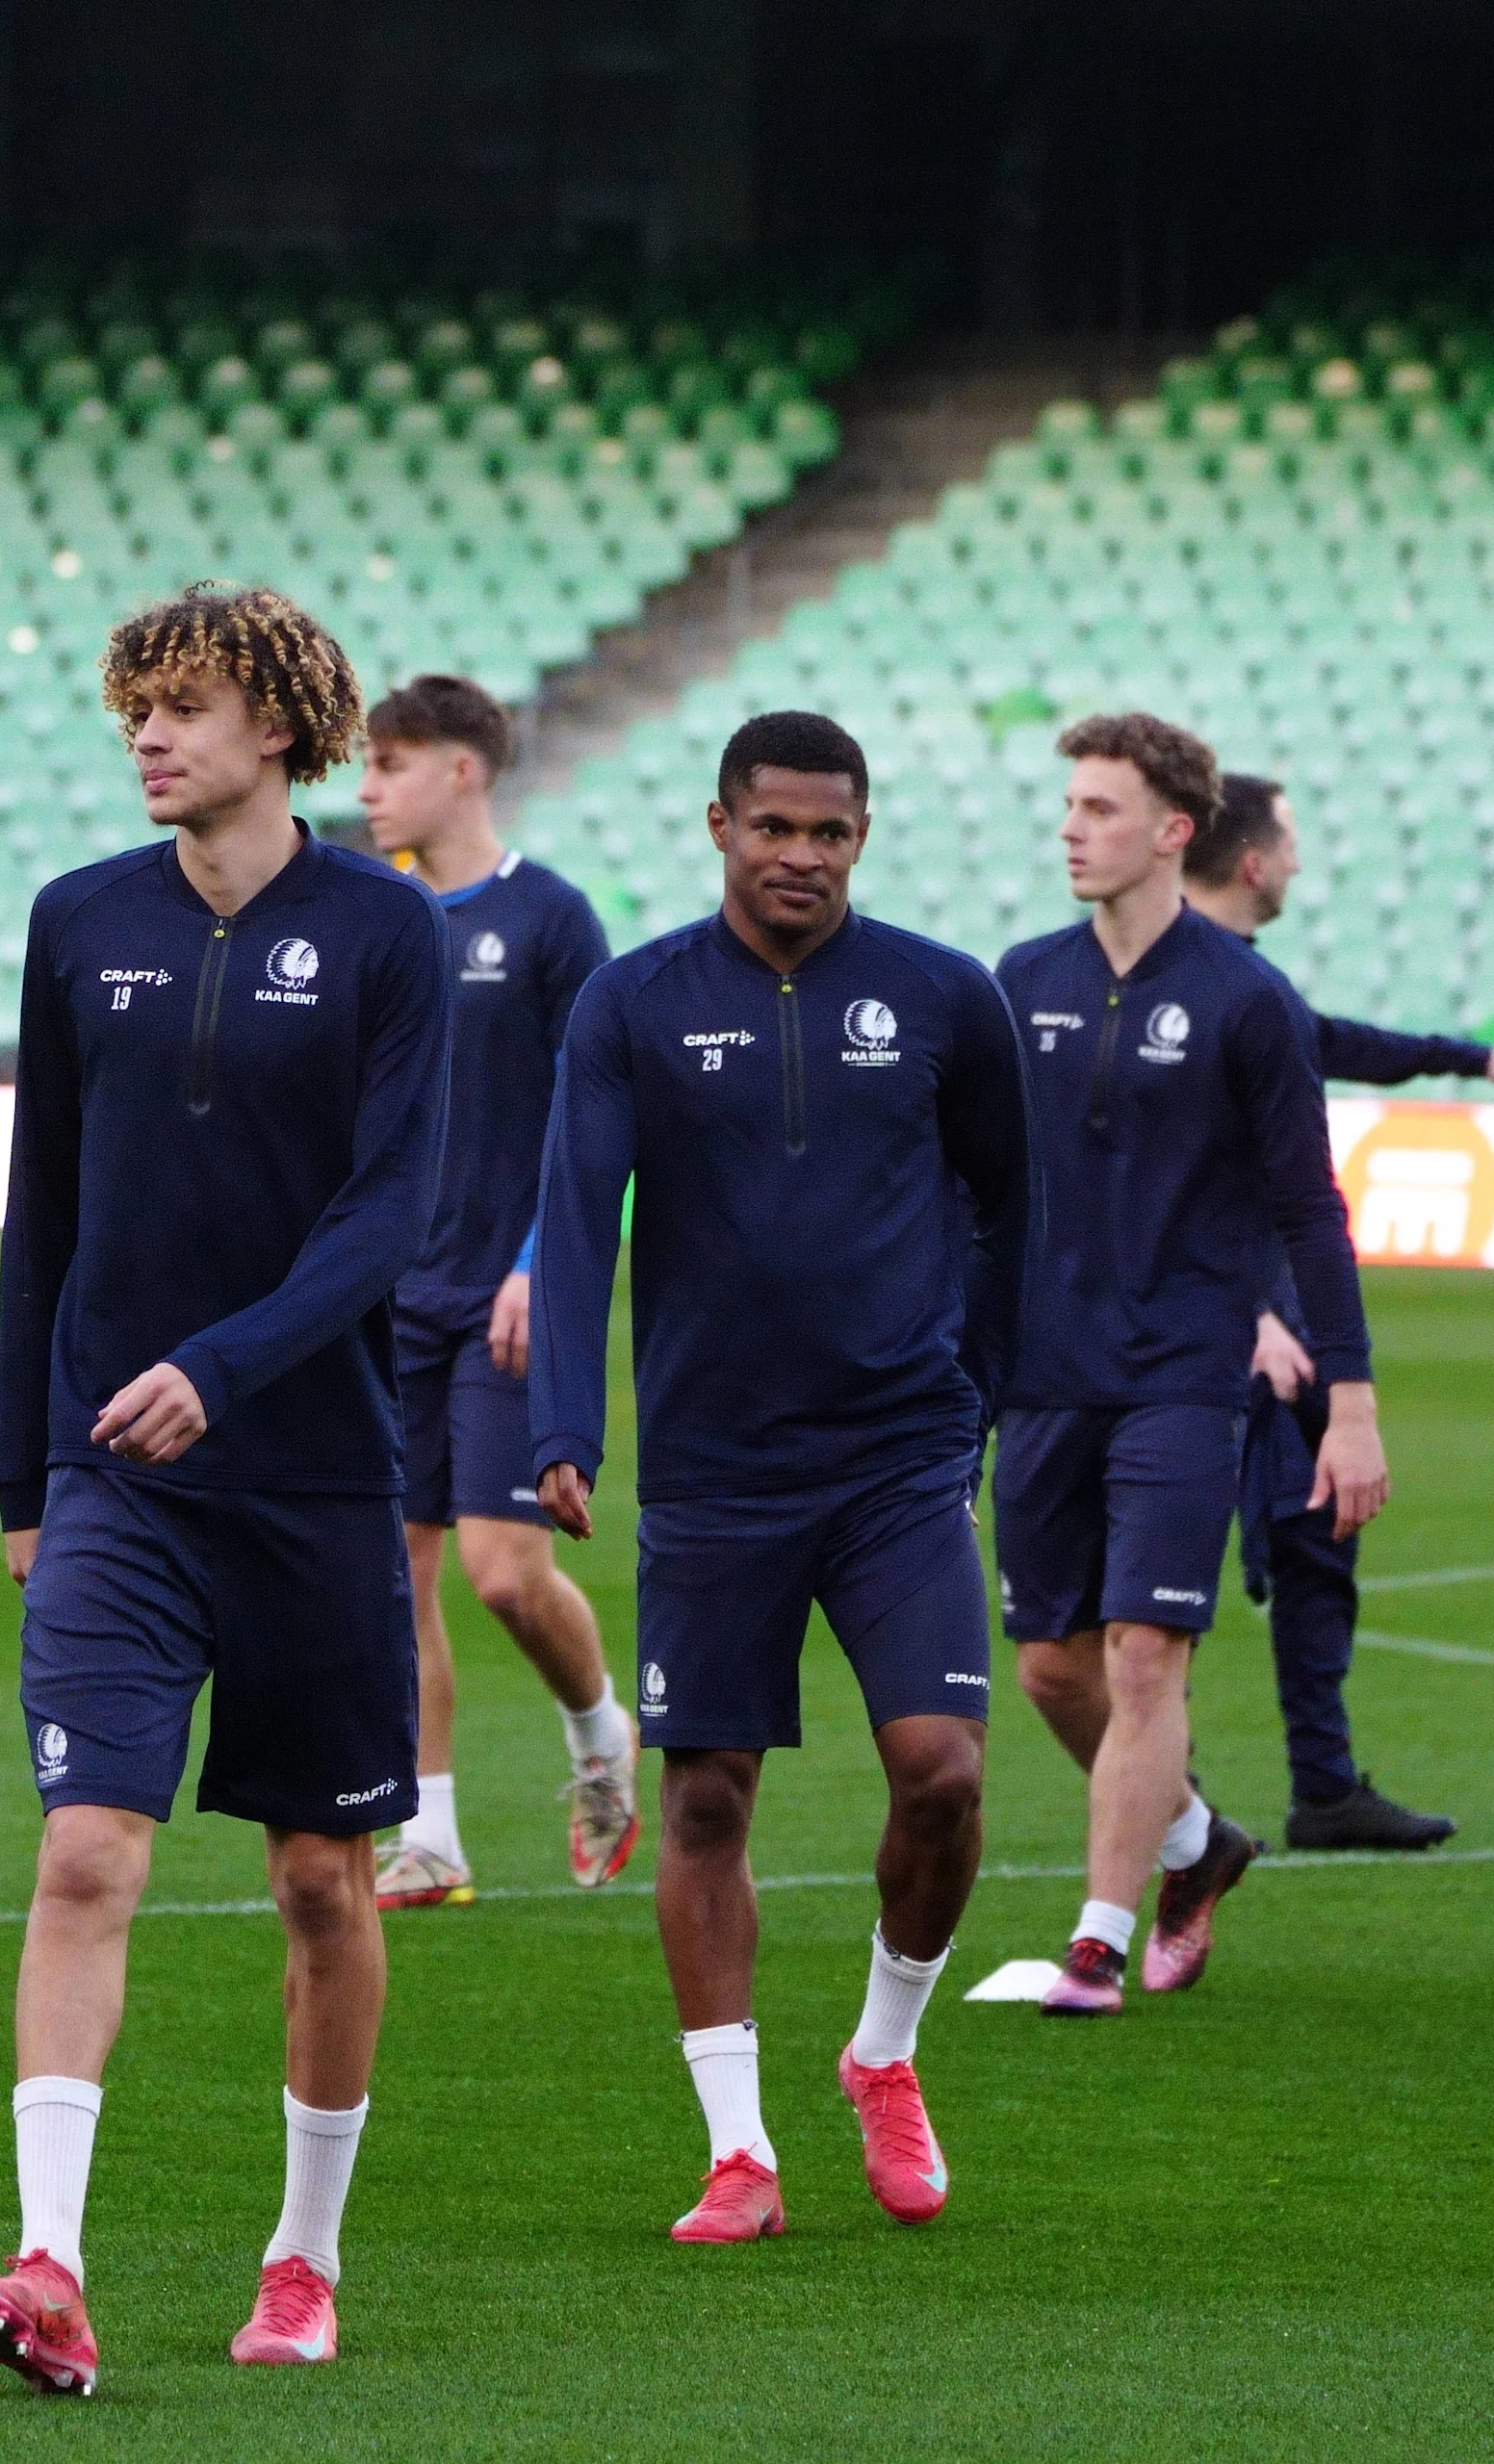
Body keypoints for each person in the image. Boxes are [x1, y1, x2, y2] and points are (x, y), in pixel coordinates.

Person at [0, 585, 448, 2394]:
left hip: (310, 1482)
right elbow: (44, 1215)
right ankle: (50, 2261)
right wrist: (28, 1469)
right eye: (137, 708)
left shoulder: (390, 937)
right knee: (86, 1850)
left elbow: (392, 1217)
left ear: (285, 728)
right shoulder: (79, 922)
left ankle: (302, 2259)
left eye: (190, 706)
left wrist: (222, 1370)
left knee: (325, 1883)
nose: (151, 736)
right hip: (113, 1486)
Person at [528, 710, 1028, 2242]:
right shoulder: (633, 1004)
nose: (801, 856)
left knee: (942, 1772)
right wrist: (565, 1424)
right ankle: (739, 2148)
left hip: (897, 1458)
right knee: (709, 1802)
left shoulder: (945, 996)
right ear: (719, 827)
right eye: (774, 828)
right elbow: (573, 1211)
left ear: (862, 836)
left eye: (830, 832)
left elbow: (1016, 1210)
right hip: (715, 1465)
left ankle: (884, 2050)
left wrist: (977, 1402)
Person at [993, 714, 1383, 2019]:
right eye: (1067, 806)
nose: (1069, 828)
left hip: (1184, 1374)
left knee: (1145, 1653)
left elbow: (1310, 1212)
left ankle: (1097, 1942)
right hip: (1045, 1373)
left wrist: (1350, 1401)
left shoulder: (1247, 1000)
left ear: (1173, 833)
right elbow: (978, 1191)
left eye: (1099, 809)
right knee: (1053, 1667)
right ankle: (1193, 1844)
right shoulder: (1021, 979)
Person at [1187, 774, 1494, 1850]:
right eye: (1294, 843)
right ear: (1254, 861)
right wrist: (1247, 1312)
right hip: (1202, 1324)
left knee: (1318, 1544)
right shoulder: (1169, 994)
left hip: (1279, 1316)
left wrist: (1474, 1060)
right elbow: (1176, 1185)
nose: (1302, 862)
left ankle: (1323, 1787)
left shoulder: (1244, 988)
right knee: (1155, 1580)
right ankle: (1170, 1814)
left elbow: (1329, 1041)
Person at [350, 675, 631, 1912]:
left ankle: (600, 1734)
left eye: (389, 764)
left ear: (461, 770)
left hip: (513, 1290)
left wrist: (536, 1263)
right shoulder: (376, 917)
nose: (366, 789)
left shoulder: (553, 919)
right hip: (391, 1293)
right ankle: (431, 1835)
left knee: (506, 1573)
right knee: (393, 1573)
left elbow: (598, 1115)